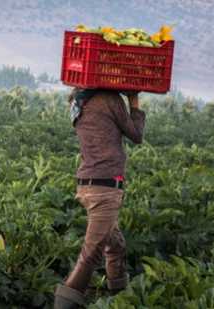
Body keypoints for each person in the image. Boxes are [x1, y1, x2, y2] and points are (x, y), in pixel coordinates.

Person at [54, 88, 146, 308]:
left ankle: (119, 299)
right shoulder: (109, 99)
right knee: (90, 255)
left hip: (87, 184)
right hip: (104, 188)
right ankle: (63, 304)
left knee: (116, 245)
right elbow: (136, 135)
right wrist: (133, 101)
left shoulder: (78, 101)